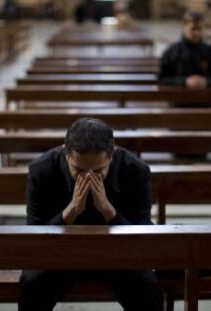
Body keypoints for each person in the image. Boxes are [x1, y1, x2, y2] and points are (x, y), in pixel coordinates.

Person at [19, 118, 163, 311]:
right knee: (32, 283)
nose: (87, 177)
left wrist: (108, 211)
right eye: (78, 170)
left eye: (98, 171)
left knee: (146, 286)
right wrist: (70, 213)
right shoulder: (42, 170)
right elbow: (34, 236)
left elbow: (142, 236)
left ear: (112, 154)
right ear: (66, 153)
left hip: (116, 253)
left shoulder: (135, 170)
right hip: (62, 253)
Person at [158, 10, 211, 108]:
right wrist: (185, 81)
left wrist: (206, 82)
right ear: (184, 27)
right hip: (178, 106)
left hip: (206, 106)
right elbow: (162, 81)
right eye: (193, 29)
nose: (196, 33)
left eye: (199, 29)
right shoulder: (171, 52)